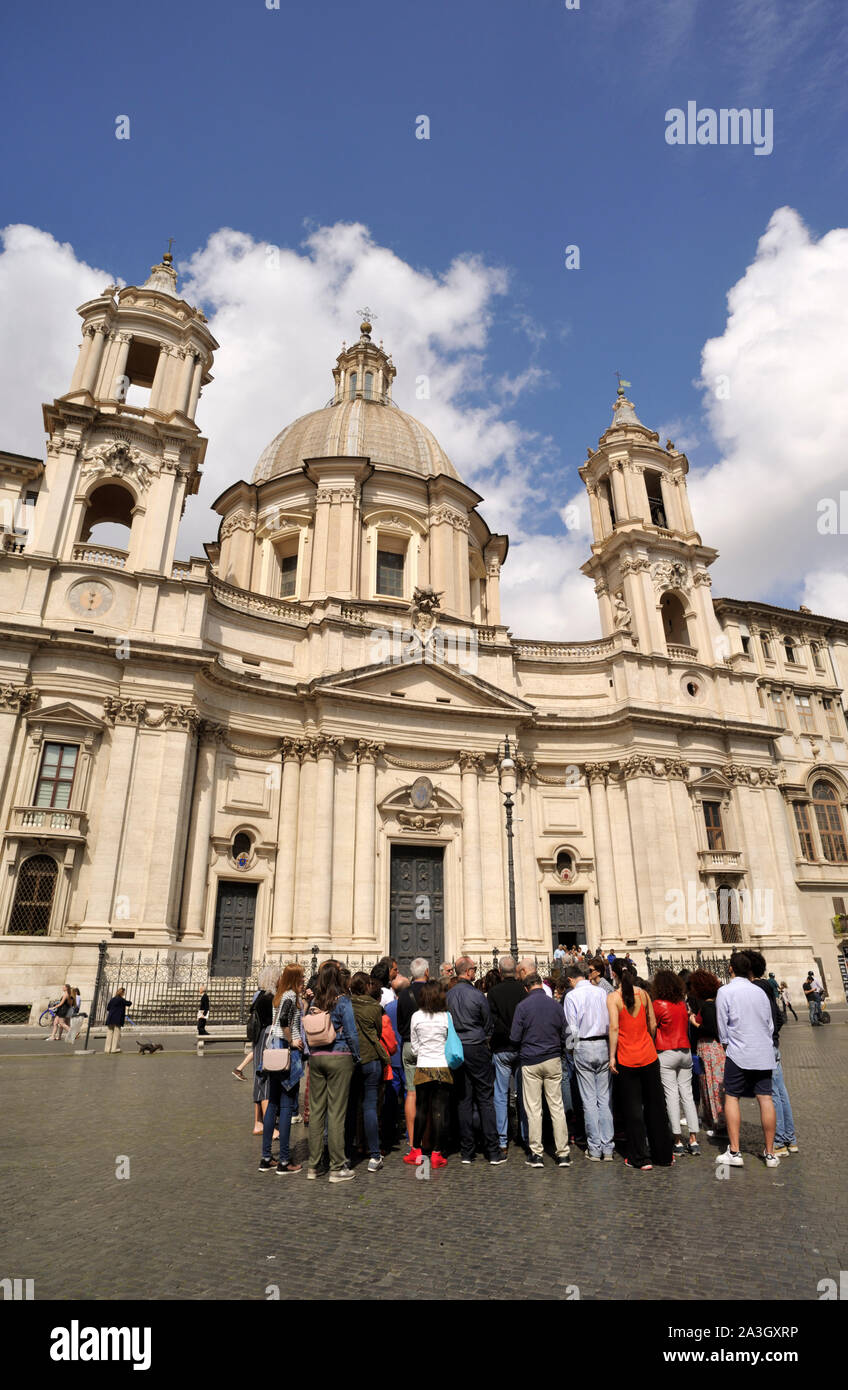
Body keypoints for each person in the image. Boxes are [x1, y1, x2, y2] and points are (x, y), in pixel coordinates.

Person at [715, 952, 779, 1168]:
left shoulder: (725, 991)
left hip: (738, 1053)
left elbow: (722, 1028)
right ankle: (770, 1153)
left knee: (732, 1097)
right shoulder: (759, 991)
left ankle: (735, 1151)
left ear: (731, 968)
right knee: (766, 1099)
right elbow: (770, 1024)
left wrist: (727, 1045)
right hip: (763, 1052)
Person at [607, 960, 673, 1170]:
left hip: (627, 1059)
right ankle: (664, 1155)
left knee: (633, 1109)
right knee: (656, 1106)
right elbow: (653, 1023)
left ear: (614, 974)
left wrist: (612, 1057)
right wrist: (648, 1041)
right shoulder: (644, 994)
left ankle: (640, 1158)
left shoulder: (613, 998)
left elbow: (614, 1029)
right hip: (648, 1056)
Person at [304, 961, 361, 1182]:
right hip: (339, 1056)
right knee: (336, 1112)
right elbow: (352, 1033)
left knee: (317, 1112)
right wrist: (356, 1056)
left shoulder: (315, 1000)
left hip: (316, 1058)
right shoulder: (342, 1001)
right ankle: (337, 1167)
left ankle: (314, 1166)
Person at [510, 973, 571, 1169]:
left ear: (527, 988)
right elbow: (566, 1033)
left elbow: (514, 1037)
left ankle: (536, 1153)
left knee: (534, 1109)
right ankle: (563, 1154)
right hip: (553, 1059)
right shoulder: (555, 1005)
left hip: (531, 1060)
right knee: (557, 1107)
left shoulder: (522, 1006)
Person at [446, 956, 503, 1165]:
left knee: (463, 1099)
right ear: (468, 972)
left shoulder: (448, 995)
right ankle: (493, 1151)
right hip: (477, 1047)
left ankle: (467, 1151)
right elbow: (488, 1024)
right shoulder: (478, 995)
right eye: (474, 969)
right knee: (485, 1098)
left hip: (457, 1050)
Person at [748, 950, 798, 1158]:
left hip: (765, 1047)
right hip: (772, 1045)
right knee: (780, 1091)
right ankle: (789, 1139)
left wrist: (765, 1038)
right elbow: (778, 1017)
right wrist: (773, 1036)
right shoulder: (768, 987)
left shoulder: (755, 989)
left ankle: (778, 1141)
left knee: (772, 1094)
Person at [563, 963, 615, 1160]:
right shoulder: (602, 993)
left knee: (589, 1100)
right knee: (604, 1098)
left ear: (570, 979)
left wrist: (570, 1049)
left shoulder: (571, 996)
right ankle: (608, 1148)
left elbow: (572, 1028)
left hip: (583, 1046)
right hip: (603, 1045)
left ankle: (594, 1148)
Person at [258, 964, 305, 1174]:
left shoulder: (279, 995)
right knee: (286, 1106)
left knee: (274, 1104)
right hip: (286, 1052)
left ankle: (266, 1157)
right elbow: (285, 1021)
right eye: (302, 977)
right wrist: (293, 1041)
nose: (304, 980)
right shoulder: (289, 996)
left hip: (274, 1054)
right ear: (295, 978)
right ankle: (284, 1161)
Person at [650, 969, 700, 1156]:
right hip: (685, 1051)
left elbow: (653, 1027)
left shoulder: (657, 1004)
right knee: (687, 1094)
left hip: (666, 1051)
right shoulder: (681, 1004)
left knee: (671, 1095)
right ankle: (694, 1139)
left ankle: (677, 1140)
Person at [405, 979, 453, 1168]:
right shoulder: (446, 1016)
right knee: (439, 1111)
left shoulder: (416, 1016)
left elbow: (414, 1046)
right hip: (442, 1066)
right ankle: (436, 1153)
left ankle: (416, 1150)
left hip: (423, 1066)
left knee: (422, 1109)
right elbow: (450, 1042)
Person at [348, 971, 389, 1171]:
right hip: (371, 1058)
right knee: (370, 1107)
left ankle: (349, 1152)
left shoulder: (346, 1005)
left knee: (351, 1107)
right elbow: (378, 1032)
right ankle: (374, 1155)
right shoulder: (375, 1007)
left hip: (351, 1060)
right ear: (366, 986)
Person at [487, 955, 527, 1155]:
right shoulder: (523, 991)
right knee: (524, 1094)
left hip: (502, 1048)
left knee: (501, 1095)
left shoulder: (493, 992)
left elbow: (492, 1021)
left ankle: (503, 1140)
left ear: (500, 972)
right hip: (521, 1047)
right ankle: (525, 1135)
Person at [396, 958, 430, 1149]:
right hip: (428, 1047)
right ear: (426, 973)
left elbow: (400, 1023)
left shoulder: (403, 994)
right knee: (428, 1095)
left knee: (411, 1092)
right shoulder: (432, 992)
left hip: (408, 1045)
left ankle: (412, 1140)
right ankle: (426, 1139)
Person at [688, 969, 726, 1137]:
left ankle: (720, 1123)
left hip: (710, 1049)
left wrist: (694, 1023)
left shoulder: (709, 1007)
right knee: (708, 1085)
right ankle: (715, 1121)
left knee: (712, 1085)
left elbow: (711, 1029)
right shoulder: (711, 1005)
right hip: (708, 1049)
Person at [104, 987, 131, 1052]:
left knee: (109, 1033)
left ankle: (107, 1049)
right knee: (116, 1034)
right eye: (124, 992)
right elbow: (129, 1003)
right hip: (117, 1019)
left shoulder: (112, 999)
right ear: (122, 993)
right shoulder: (121, 1000)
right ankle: (114, 1048)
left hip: (110, 1018)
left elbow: (108, 1008)